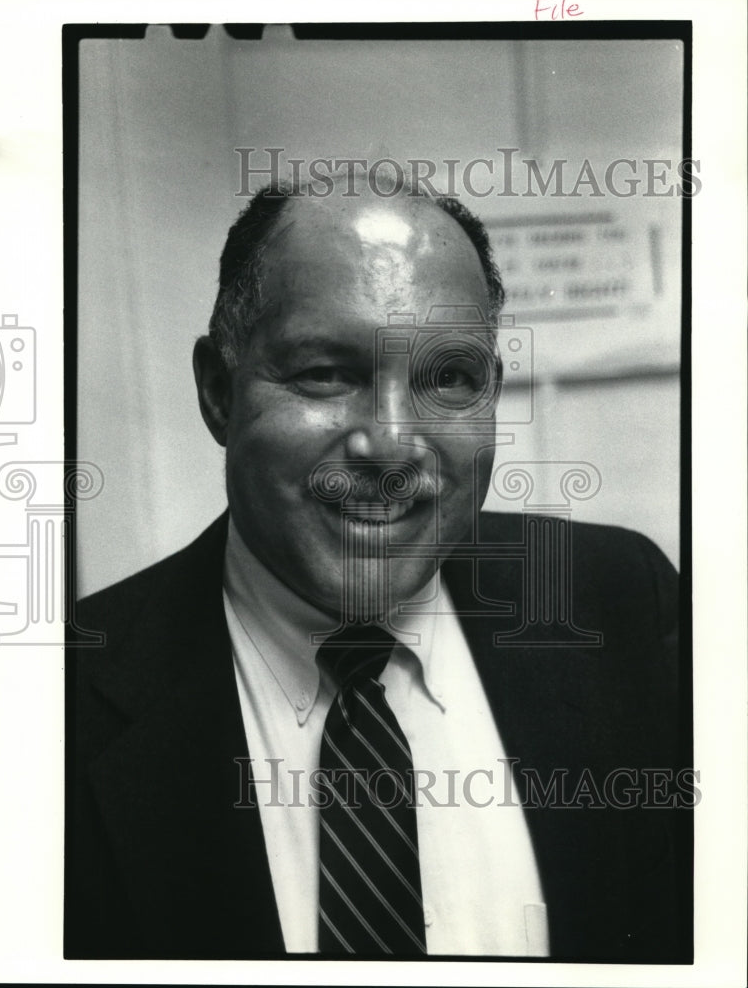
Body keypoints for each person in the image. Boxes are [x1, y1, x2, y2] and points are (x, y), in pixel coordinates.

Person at [65, 170, 691, 962]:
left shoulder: (617, 600)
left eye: (449, 379)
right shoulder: (58, 700)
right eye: (325, 372)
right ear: (219, 391)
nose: (391, 444)